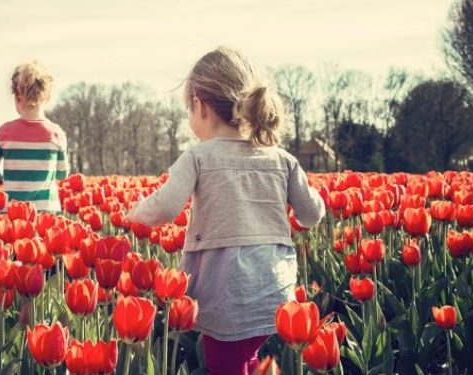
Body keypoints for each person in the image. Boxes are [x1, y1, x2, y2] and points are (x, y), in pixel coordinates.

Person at [126, 47, 325, 375]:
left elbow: (164, 207)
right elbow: (312, 214)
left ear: (200, 105)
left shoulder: (199, 157)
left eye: (189, 110)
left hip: (226, 294)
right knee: (246, 358)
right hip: (274, 292)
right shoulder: (282, 159)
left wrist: (133, 214)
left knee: (224, 366)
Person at [0, 61, 69, 212]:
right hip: (46, 210)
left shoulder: (4, 133)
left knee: (17, 235)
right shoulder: (56, 134)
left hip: (13, 210)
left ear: (17, 97)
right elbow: (62, 173)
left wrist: (4, 182)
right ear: (47, 97)